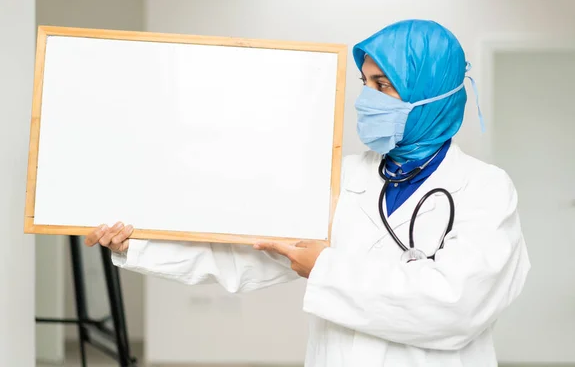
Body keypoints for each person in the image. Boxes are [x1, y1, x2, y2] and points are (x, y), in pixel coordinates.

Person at [86, 19, 530, 366]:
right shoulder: (340, 177)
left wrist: (325, 268)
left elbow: (456, 308)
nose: (367, 101)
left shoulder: (485, 190)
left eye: (384, 86)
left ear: (431, 95)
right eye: (365, 83)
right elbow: (248, 252)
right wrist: (140, 244)